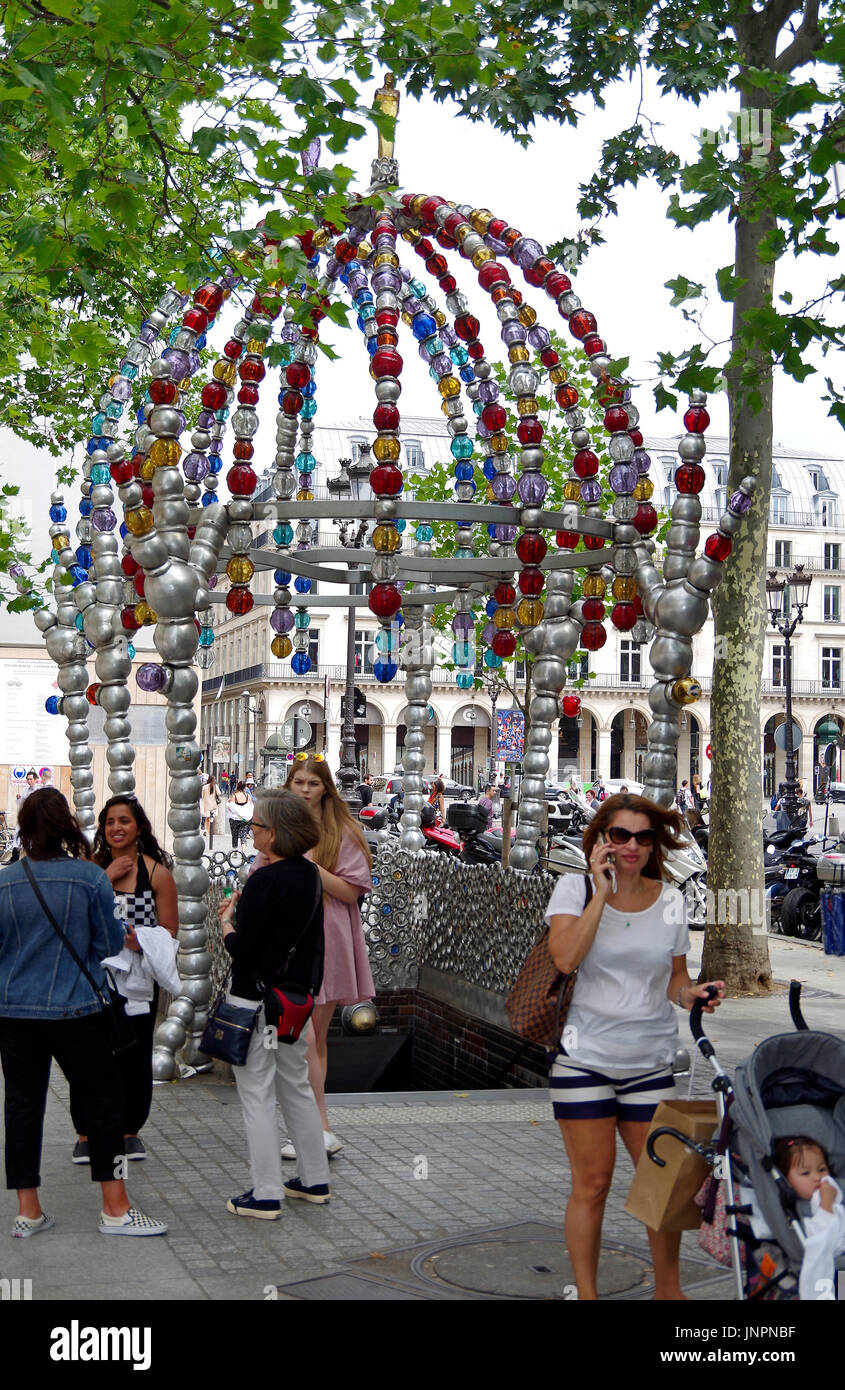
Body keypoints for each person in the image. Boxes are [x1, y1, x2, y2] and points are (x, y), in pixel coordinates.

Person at [546, 791, 725, 1300]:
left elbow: (674, 979)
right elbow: (565, 960)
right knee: (594, 1183)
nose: (632, 845)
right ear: (602, 838)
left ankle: (668, 1292)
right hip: (584, 1061)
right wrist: (601, 895)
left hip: (650, 1062)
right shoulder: (572, 890)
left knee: (662, 1183)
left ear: (654, 845)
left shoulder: (669, 900)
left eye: (643, 837)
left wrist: (691, 994)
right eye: (620, 835)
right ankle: (587, 1293)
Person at [0, 789, 167, 1237]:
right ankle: (115, 1207)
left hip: (15, 1013)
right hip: (78, 1009)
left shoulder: (4, 882)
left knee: (21, 1108)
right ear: (66, 826)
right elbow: (110, 945)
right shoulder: (89, 878)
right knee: (104, 1103)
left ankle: (28, 1211)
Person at [218, 790, 330, 1217]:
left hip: (257, 999)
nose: (253, 832)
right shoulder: (308, 875)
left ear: (277, 833)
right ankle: (314, 1178)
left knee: (258, 1093)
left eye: (258, 826)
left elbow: (245, 949)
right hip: (295, 999)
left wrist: (227, 922)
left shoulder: (266, 879)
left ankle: (266, 1192)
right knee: (296, 1086)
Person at [70, 796, 179, 1164]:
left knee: (134, 1055)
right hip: (92, 982)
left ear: (139, 828)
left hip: (137, 983)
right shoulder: (91, 869)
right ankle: (86, 1132)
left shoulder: (157, 874)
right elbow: (72, 914)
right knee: (88, 1056)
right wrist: (105, 878)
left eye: (124, 821)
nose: (116, 828)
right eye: (109, 822)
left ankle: (130, 1130)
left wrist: (141, 941)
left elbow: (170, 930)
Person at [282, 758, 374, 1159]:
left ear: (326, 789)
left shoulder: (343, 832)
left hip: (327, 936)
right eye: (297, 782)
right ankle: (317, 1129)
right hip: (288, 938)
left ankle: (315, 1129)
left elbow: (352, 890)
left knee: (310, 1037)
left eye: (312, 783)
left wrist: (307, 868)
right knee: (307, 1039)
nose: (304, 789)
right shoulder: (280, 828)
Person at [774, 1137, 845, 1301]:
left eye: (822, 1169)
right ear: (786, 1180)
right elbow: (821, 1239)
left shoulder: (834, 1194)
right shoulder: (800, 1210)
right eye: (806, 1173)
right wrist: (826, 1203)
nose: (817, 1177)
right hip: (835, 1267)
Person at [227, 781, 254, 849]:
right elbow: (250, 807)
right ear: (245, 787)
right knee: (243, 835)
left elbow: (231, 807)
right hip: (244, 819)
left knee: (234, 835)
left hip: (234, 819)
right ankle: (243, 850)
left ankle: (235, 850)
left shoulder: (234, 796)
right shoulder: (247, 796)